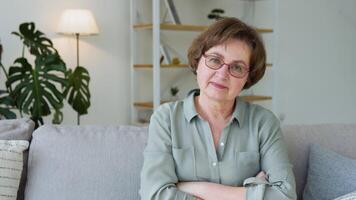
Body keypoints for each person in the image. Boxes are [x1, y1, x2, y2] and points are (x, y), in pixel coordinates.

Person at [140, 17, 297, 200]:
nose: (222, 74)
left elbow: (285, 196)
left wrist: (193, 188)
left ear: (248, 78)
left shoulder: (264, 123)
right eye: (215, 60)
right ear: (198, 62)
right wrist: (250, 193)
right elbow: (154, 195)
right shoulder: (166, 119)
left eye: (237, 67)